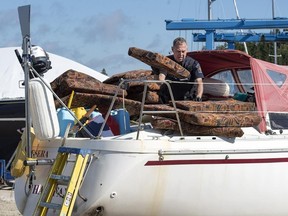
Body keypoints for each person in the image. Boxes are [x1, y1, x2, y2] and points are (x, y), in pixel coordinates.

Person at [152, 37, 204, 103]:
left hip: (187, 99)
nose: (181, 54)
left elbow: (199, 82)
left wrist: (199, 96)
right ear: (172, 49)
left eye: (183, 51)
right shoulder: (165, 61)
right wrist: (160, 78)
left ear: (187, 50)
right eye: (178, 51)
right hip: (168, 100)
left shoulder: (193, 63)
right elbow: (160, 79)